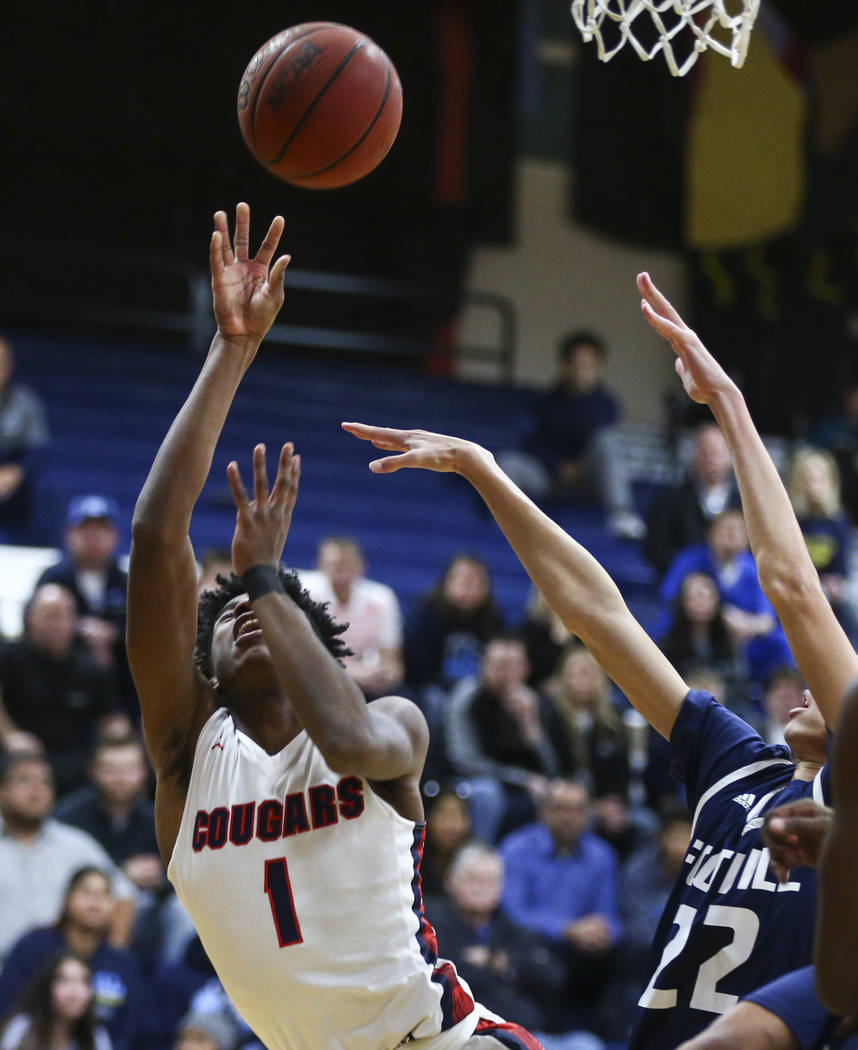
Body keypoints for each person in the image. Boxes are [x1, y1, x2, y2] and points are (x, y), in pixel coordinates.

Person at [341, 269, 858, 1048]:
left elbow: (789, 585)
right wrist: (488, 474)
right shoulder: (735, 764)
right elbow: (597, 614)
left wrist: (730, 405)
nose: (805, 686)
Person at [126, 203, 543, 1050]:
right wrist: (231, 350)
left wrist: (265, 578)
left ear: (305, 637)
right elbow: (155, 539)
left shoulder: (391, 726)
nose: (244, 614)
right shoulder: (189, 755)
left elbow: (350, 742)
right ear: (202, 669)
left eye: (259, 608)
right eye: (228, 614)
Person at [426, 843, 602, 1050]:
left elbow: (553, 975)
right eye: (472, 879)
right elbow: (453, 979)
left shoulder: (511, 926)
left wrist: (498, 962)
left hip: (525, 1034)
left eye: (489, 881)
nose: (481, 888)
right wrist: (511, 977)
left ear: (502, 887)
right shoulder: (433, 923)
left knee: (586, 1044)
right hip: (464, 1037)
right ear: (450, 880)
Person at [0, 752, 137, 962]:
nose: (36, 790)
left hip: (64, 974)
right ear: (2, 790)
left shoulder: (75, 845)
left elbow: (124, 893)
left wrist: (112, 954)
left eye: (45, 782)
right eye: (24, 780)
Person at [0, 583, 125, 795]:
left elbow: (110, 718)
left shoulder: (90, 666)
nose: (56, 624)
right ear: (30, 617)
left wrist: (118, 741)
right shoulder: (9, 657)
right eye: (49, 616)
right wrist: (9, 735)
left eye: (64, 616)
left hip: (75, 760)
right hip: (21, 754)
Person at [0, 867, 143, 1050]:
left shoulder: (122, 962)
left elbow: (132, 1027)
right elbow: (7, 1004)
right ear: (67, 898)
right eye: (86, 892)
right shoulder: (33, 946)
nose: (95, 901)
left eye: (104, 894)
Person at [659, 508, 794, 687]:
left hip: (745, 639)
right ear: (710, 534)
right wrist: (719, 615)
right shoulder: (690, 560)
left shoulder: (754, 568)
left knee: (781, 642)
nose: (731, 534)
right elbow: (670, 598)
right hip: (696, 631)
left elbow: (767, 620)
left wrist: (743, 625)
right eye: (725, 528)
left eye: (738, 529)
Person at [445, 635, 561, 842]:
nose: (503, 674)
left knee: (562, 797)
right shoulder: (467, 698)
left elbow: (553, 770)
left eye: (511, 666)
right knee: (488, 795)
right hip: (472, 780)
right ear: (483, 665)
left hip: (524, 784)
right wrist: (521, 780)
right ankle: (481, 855)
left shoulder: (534, 703)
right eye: (497, 665)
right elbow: (464, 761)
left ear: (525, 670)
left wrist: (530, 726)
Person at [37, 494, 135, 714]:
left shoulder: (129, 582)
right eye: (86, 531)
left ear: (114, 536)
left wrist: (113, 635)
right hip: (62, 678)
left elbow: (145, 628)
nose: (93, 538)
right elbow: (32, 625)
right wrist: (78, 630)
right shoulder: (53, 578)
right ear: (69, 535)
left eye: (101, 531)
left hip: (121, 681)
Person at [298, 535, 405, 698]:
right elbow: (302, 654)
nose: (340, 571)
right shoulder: (304, 592)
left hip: (367, 684)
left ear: (362, 567)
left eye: (347, 564)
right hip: (316, 678)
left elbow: (392, 659)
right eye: (334, 565)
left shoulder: (382, 598)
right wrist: (352, 673)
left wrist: (385, 675)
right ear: (320, 566)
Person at [643, 423, 738, 577]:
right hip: (682, 588)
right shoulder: (668, 501)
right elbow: (655, 549)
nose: (711, 460)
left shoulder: (743, 507)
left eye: (717, 453)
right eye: (705, 453)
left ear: (730, 457)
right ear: (694, 456)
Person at [787, 447, 856, 642]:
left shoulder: (839, 522)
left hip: (830, 598)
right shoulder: (790, 521)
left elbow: (842, 572)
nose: (813, 486)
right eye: (808, 480)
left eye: (819, 480)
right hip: (796, 595)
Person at [0, 951, 112, 1050]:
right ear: (48, 987)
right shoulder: (21, 1028)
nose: (74, 992)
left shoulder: (97, 1037)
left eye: (83, 982)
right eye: (64, 981)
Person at [0, 335, 51, 545]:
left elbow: (39, 451)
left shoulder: (25, 403)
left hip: (13, 488)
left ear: (9, 367)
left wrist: (17, 472)